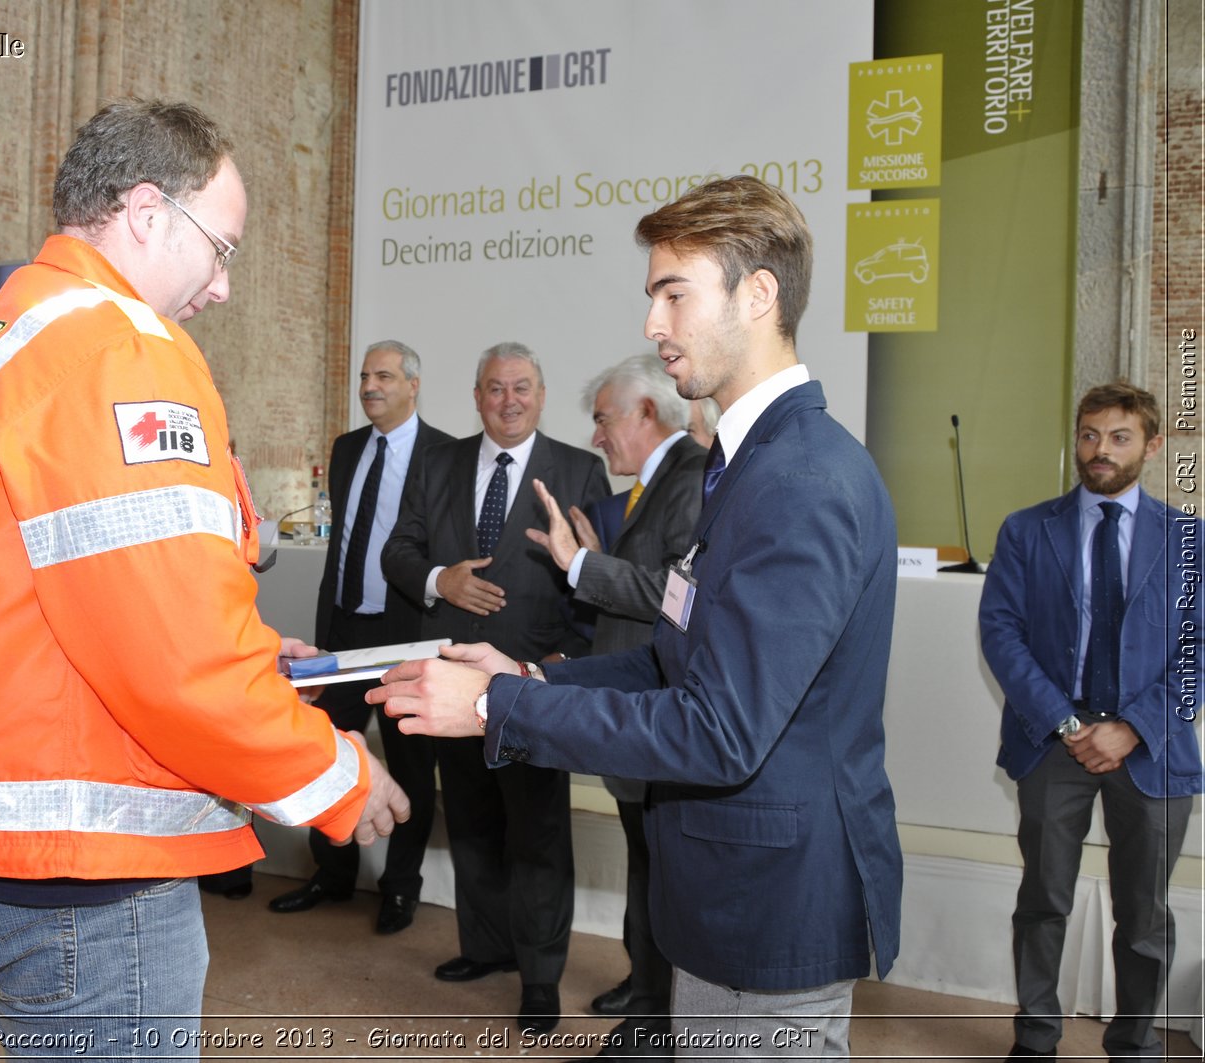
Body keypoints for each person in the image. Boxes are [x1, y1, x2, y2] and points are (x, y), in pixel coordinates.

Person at [0, 98, 408, 1058]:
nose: (222, 288)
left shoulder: (4, 329)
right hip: (82, 873)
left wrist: (249, 656)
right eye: (223, 247)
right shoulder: (118, 350)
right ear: (147, 211)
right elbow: (175, 657)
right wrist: (329, 774)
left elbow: (78, 595)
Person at [371, 176, 903, 1060]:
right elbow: (676, 655)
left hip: (770, 901)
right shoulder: (748, 463)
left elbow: (719, 727)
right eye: (652, 297)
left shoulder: (801, 480)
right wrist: (530, 677)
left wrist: (495, 709)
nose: (654, 325)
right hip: (725, 890)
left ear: (759, 294)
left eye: (674, 294)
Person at [381, 341, 609, 1034]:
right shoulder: (438, 461)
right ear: (476, 396)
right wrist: (438, 580)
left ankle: (540, 977)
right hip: (455, 682)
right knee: (474, 821)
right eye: (493, 388)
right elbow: (399, 550)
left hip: (534, 681)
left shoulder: (578, 469)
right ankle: (485, 947)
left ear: (541, 395)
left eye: (521, 388)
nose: (507, 400)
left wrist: (570, 656)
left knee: (537, 830)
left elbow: (598, 576)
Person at [979, 382, 1201, 1061]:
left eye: (1119, 436)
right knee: (1043, 899)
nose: (1100, 450)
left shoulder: (1189, 539)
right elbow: (1001, 631)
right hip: (1053, 745)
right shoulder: (1026, 529)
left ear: (1153, 445)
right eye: (1089, 435)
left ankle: (1134, 1043)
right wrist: (1069, 723)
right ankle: (1036, 1038)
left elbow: (1197, 647)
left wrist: (1132, 726)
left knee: (1144, 915)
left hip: (1153, 749)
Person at [525, 353, 705, 1038]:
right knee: (646, 861)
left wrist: (582, 564)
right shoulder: (654, 486)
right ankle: (646, 990)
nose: (597, 436)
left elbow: (676, 597)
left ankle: (656, 1014)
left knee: (661, 868)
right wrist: (597, 563)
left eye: (604, 419)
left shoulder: (689, 479)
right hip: (637, 708)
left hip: (659, 709)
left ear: (646, 413)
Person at [268, 340, 452, 933]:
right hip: (343, 635)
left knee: (411, 767)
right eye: (365, 376)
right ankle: (333, 874)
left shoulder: (443, 454)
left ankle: (401, 889)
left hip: (406, 639)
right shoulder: (347, 449)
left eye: (385, 376)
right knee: (325, 750)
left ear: (413, 385)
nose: (370, 386)